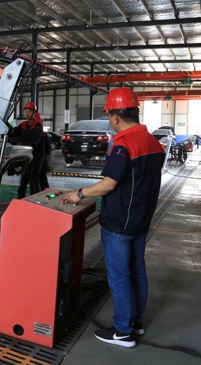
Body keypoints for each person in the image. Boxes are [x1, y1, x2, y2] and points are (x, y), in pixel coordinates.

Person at [65, 87, 165, 348]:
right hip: (141, 220)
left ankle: (122, 331)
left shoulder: (124, 146)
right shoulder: (153, 143)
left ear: (116, 117)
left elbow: (108, 184)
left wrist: (79, 194)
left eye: (109, 115)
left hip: (120, 223)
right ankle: (136, 322)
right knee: (137, 272)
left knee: (119, 276)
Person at [9, 102, 44, 198]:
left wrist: (22, 142)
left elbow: (35, 140)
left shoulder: (37, 125)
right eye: (26, 111)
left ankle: (36, 197)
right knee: (24, 178)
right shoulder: (23, 125)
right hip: (27, 154)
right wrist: (6, 129)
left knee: (33, 176)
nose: (27, 113)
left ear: (33, 113)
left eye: (29, 111)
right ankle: (20, 198)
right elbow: (13, 132)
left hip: (37, 155)